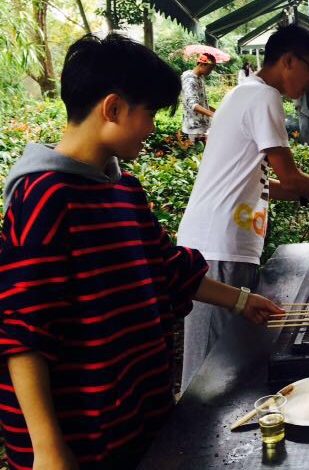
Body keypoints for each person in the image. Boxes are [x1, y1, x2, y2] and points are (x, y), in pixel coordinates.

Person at [0, 34, 283, 470]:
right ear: (113, 109)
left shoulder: (124, 191)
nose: (152, 127)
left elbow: (168, 269)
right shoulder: (44, 197)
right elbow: (23, 330)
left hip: (136, 414)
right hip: (80, 435)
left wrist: (243, 301)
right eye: (149, 114)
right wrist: (48, 448)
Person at [177, 24, 309, 390]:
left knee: (228, 363)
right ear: (288, 60)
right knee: (206, 371)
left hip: (227, 246)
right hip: (216, 247)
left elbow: (263, 183)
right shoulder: (262, 96)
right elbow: (291, 175)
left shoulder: (246, 93)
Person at [181, 52, 216, 142]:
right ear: (202, 65)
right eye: (210, 68)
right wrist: (212, 114)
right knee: (198, 150)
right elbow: (193, 105)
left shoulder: (199, 78)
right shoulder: (190, 81)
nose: (210, 72)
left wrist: (216, 111)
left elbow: (201, 102)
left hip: (202, 126)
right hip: (195, 128)